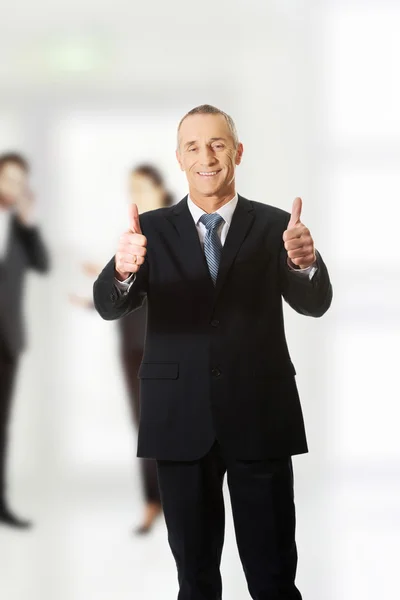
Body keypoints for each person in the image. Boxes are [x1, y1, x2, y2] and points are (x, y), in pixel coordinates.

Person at [93, 105, 333, 599]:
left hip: (259, 417)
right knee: (195, 581)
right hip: (179, 422)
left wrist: (304, 264)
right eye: (194, 147)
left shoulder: (275, 228)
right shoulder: (151, 231)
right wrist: (122, 270)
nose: (207, 156)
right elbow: (108, 305)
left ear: (238, 152)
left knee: (272, 578)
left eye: (219, 144)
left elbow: (315, 303)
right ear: (179, 158)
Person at [71, 164, 173, 534]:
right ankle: (152, 502)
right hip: (132, 342)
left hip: (170, 345)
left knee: (177, 423)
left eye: (143, 188)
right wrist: (93, 293)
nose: (137, 196)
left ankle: (181, 502)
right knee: (144, 426)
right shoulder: (133, 232)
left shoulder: (179, 226)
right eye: (132, 189)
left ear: (161, 189)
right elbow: (128, 285)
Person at [0, 152, 49, 529]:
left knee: (2, 425)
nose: (15, 187)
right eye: (9, 179)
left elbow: (43, 264)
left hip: (7, 340)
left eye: (21, 181)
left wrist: (29, 224)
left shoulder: (20, 228)